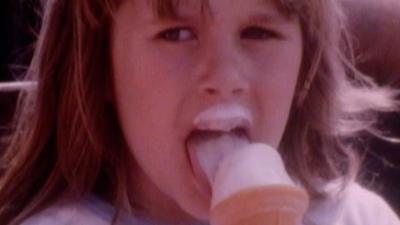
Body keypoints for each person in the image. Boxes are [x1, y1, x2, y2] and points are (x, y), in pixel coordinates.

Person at [0, 0, 399, 225]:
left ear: (306, 66)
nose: (225, 77)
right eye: (176, 34)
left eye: (258, 33)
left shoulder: (359, 218)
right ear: (101, 65)